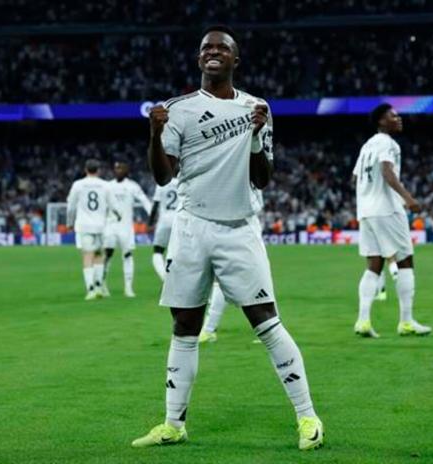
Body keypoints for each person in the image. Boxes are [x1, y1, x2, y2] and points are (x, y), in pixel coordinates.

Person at [133, 25, 323, 451]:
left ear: (236, 60)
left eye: (222, 48)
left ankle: (308, 416)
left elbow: (264, 178)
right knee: (184, 325)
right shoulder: (178, 110)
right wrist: (153, 134)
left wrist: (256, 136)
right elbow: (164, 174)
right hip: (191, 226)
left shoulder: (258, 108)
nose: (213, 52)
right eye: (206, 48)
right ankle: (173, 424)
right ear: (199, 59)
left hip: (239, 228)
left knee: (267, 321)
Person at [352, 103, 432, 338]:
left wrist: (367, 194)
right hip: (387, 210)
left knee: (374, 265)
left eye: (397, 115)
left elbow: (355, 176)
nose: (398, 118)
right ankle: (406, 322)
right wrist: (408, 199)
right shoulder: (388, 143)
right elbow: (387, 172)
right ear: (380, 122)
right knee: (405, 261)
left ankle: (363, 321)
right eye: (392, 116)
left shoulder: (367, 145)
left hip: (366, 211)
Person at [199, 186, 265, 343]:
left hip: (241, 232)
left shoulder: (241, 176)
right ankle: (209, 329)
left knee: (231, 282)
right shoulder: (245, 173)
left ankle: (209, 330)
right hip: (237, 231)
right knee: (249, 283)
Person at [102, 161, 152, 298]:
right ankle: (102, 285)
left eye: (120, 168)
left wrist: (152, 215)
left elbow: (144, 200)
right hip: (110, 226)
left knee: (127, 255)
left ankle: (128, 288)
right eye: (116, 168)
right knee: (108, 254)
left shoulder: (132, 186)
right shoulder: (108, 186)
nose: (117, 170)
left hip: (125, 227)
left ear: (126, 170)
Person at [66, 159, 112, 300]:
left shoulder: (78, 185)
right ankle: (99, 286)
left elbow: (71, 205)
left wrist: (69, 222)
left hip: (84, 225)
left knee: (87, 255)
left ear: (85, 170)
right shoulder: (105, 185)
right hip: (100, 225)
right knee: (99, 255)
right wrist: (116, 216)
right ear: (98, 170)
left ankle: (90, 289)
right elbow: (113, 204)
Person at [149, 175, 179, 281]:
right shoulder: (183, 182)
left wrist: (150, 222)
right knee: (174, 251)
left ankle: (164, 277)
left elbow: (155, 205)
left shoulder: (162, 183)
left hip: (164, 221)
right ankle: (172, 277)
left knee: (157, 251)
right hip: (179, 221)